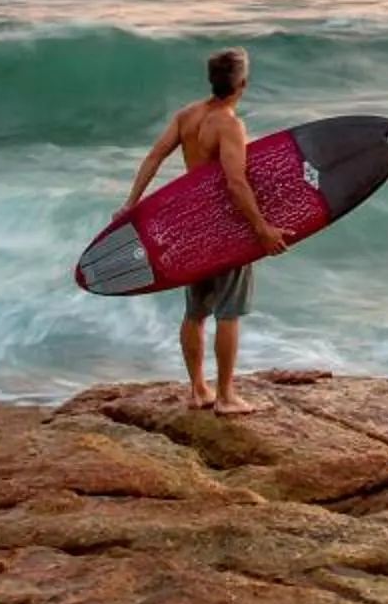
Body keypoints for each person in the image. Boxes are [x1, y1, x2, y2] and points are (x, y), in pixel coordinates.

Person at [123, 46, 289, 413]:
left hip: (190, 226)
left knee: (195, 312)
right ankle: (227, 396)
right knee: (229, 312)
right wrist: (261, 228)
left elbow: (154, 156)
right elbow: (235, 183)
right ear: (242, 83)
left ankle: (199, 390)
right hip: (226, 229)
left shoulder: (187, 116)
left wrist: (132, 203)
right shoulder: (229, 124)